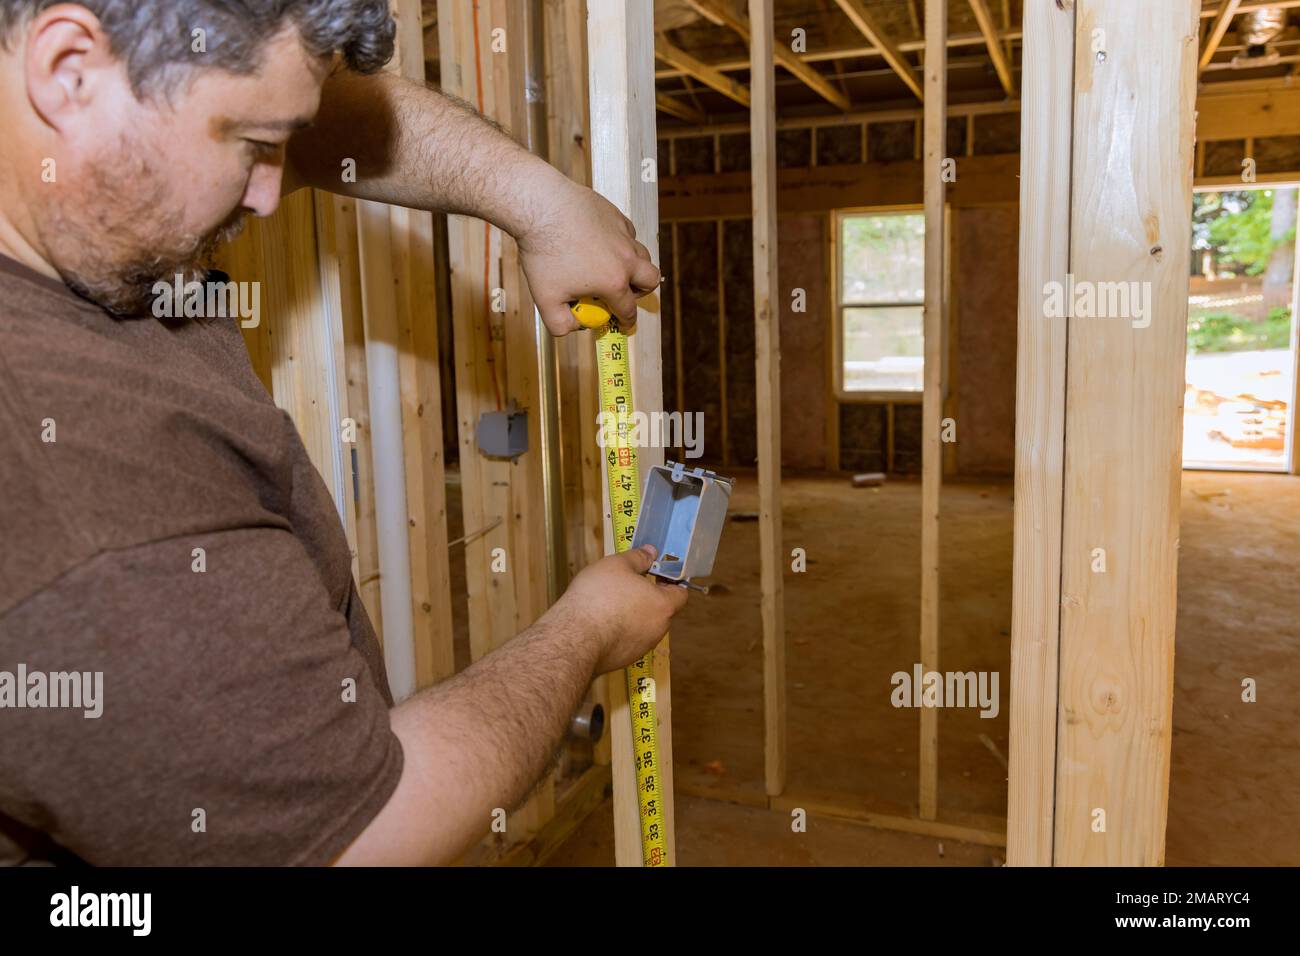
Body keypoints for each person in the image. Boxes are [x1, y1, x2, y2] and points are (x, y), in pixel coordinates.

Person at [0, 0, 687, 865]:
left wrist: (537, 200)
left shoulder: (69, 162)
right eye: (252, 147)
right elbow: (368, 836)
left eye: (282, 139)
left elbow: (310, 111)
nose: (271, 191)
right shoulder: (84, 513)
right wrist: (588, 631)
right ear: (67, 71)